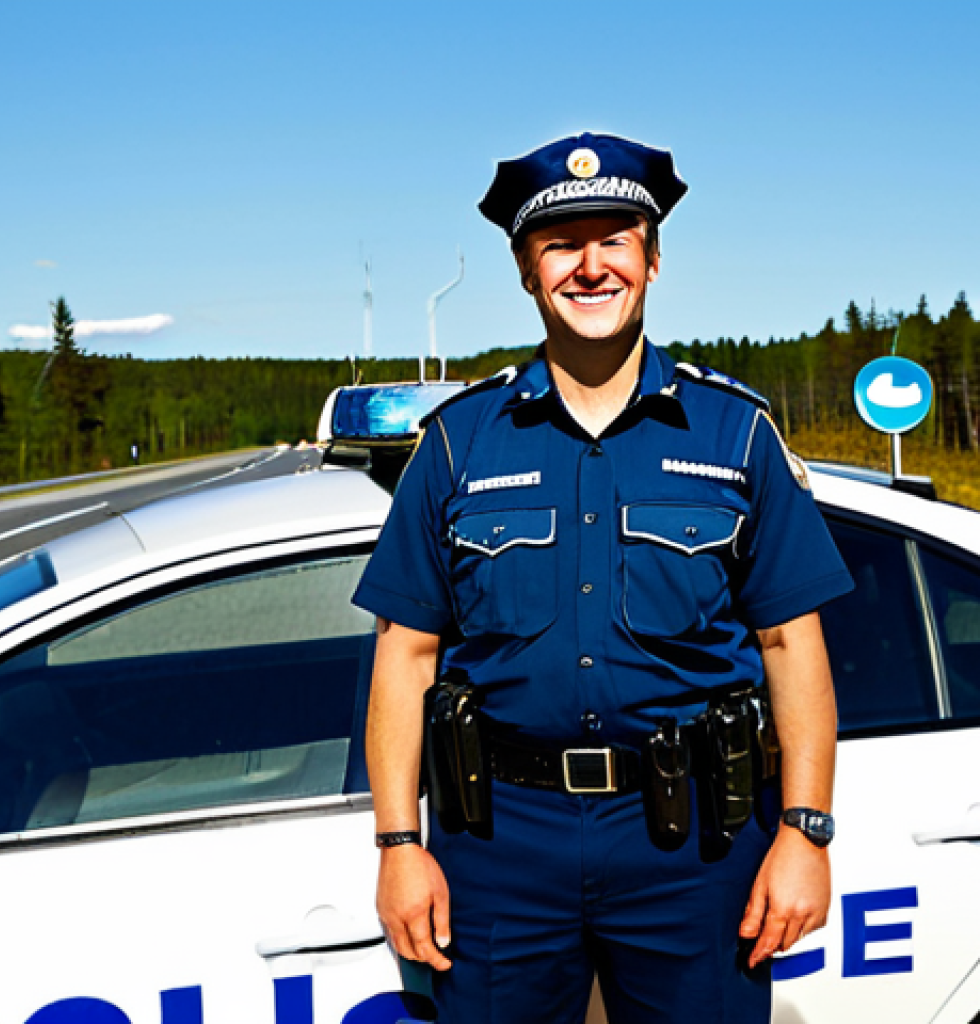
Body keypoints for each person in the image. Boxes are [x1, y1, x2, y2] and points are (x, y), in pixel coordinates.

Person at [353, 132, 854, 1024]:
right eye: (561, 245)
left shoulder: (735, 435)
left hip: (694, 845)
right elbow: (406, 653)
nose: (591, 267)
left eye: (615, 240)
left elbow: (791, 644)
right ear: (525, 269)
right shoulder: (459, 443)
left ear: (653, 260)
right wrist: (398, 844)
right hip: (499, 843)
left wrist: (805, 833)